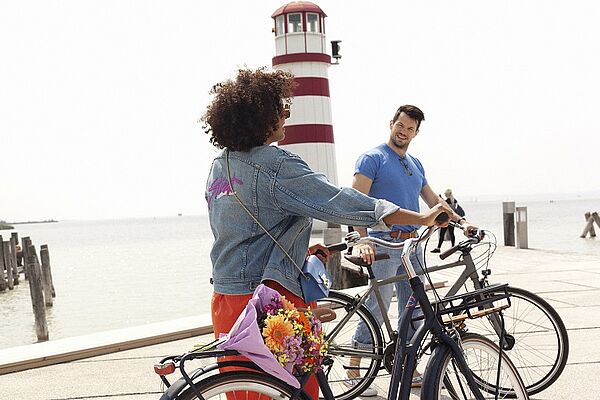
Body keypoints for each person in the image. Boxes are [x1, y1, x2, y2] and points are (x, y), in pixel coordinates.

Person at [203, 69, 452, 400]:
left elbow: (241, 234)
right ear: (261, 116)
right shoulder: (276, 165)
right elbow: (339, 201)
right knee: (297, 391)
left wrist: (297, 251)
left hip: (226, 299)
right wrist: (420, 218)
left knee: (246, 393)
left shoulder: (221, 164)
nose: (286, 117)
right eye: (282, 110)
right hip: (270, 301)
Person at [349, 105, 474, 394]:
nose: (402, 132)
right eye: (400, 125)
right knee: (376, 309)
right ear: (391, 123)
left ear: (416, 133)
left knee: (415, 311)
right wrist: (362, 239)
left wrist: (462, 222)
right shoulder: (372, 158)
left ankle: (408, 367)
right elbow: (355, 201)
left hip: (412, 246)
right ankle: (354, 371)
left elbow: (433, 200)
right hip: (382, 242)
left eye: (409, 129)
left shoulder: (415, 164)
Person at [431, 188, 466, 253]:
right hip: (452, 220)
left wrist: (440, 199)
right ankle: (452, 247)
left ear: (447, 194)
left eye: (445, 194)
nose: (445, 195)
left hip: (446, 219)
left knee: (442, 234)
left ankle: (438, 248)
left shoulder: (447, 201)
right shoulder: (455, 201)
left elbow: (445, 208)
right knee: (451, 233)